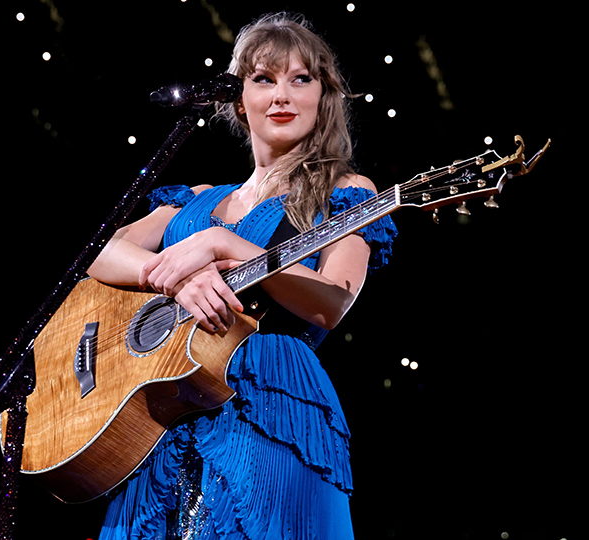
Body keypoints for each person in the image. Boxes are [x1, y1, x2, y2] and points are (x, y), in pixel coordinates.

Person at [88, 12, 397, 539]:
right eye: (263, 78)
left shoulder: (347, 191)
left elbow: (331, 303)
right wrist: (172, 277)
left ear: (324, 98)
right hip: (158, 411)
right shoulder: (193, 200)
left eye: (302, 79)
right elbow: (97, 254)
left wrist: (221, 243)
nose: (282, 95)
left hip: (270, 401)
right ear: (238, 100)